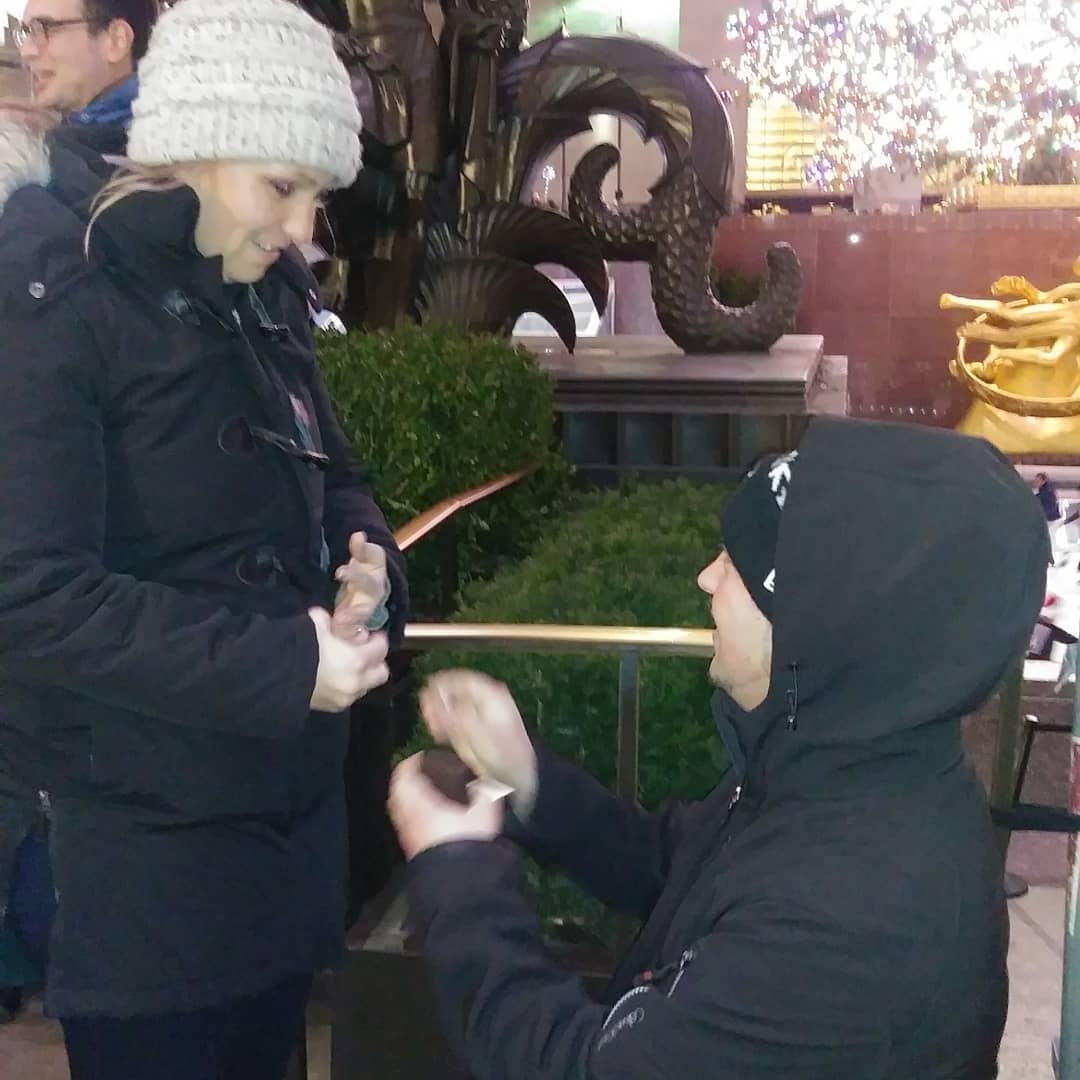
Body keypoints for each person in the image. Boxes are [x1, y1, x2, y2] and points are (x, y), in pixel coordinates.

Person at [388, 416, 1048, 1079]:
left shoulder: (847, 923)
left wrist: (456, 869)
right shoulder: (835, 762)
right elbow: (676, 865)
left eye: (737, 563)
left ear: (818, 629)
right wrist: (528, 780)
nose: (707, 578)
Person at [0, 1, 407, 1077]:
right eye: (283, 187)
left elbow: (342, 480)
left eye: (318, 196)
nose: (304, 232)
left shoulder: (261, 285)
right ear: (191, 151)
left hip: (278, 845)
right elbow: (29, 597)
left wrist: (366, 565)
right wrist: (282, 662)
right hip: (141, 872)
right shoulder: (55, 288)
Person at [0, 0, 159, 1018]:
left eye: (53, 24)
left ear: (120, 37)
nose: (29, 43)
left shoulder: (132, 195)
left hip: (97, 648)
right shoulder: (49, 183)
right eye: (24, 25)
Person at [15, 0, 158, 155]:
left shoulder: (160, 153)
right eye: (27, 31)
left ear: (117, 40)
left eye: (45, 27)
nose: (26, 52)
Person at [1034, 471, 1063, 565]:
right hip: (1048, 518)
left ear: (1043, 481)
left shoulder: (1048, 491)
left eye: (1038, 480)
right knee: (1045, 538)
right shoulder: (1044, 490)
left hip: (1051, 519)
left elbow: (1051, 506)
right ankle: (1048, 557)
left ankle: (1049, 558)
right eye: (1035, 480)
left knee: (1046, 538)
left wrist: (1042, 516)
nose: (1035, 482)